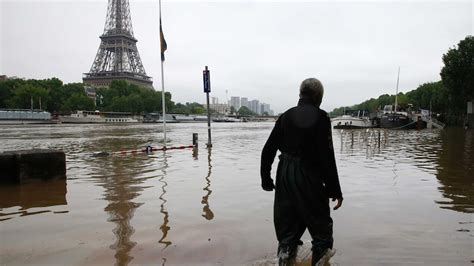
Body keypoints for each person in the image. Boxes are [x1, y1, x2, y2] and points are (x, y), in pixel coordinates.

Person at [260, 78, 343, 266]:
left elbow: (268, 150)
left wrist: (266, 178)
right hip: (309, 176)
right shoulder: (321, 118)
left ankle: (284, 261)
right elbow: (326, 156)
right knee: (321, 232)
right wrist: (334, 190)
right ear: (318, 97)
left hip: (284, 175)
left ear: (300, 94)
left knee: (287, 233)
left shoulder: (285, 117)